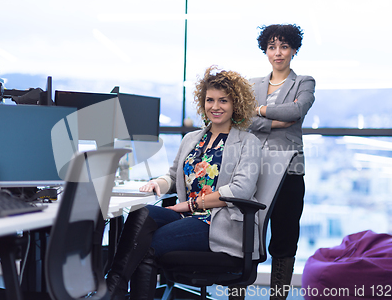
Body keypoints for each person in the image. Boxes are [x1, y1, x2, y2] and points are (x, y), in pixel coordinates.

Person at [106, 65, 261, 300]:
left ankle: (112, 291)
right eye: (210, 100)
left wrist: (189, 206)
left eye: (223, 101)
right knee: (142, 213)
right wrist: (158, 183)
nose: (215, 107)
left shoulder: (248, 142)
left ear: (235, 104)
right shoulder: (192, 139)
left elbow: (240, 190)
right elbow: (172, 175)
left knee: (145, 245)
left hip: (217, 223)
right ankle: (113, 288)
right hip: (186, 218)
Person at [247, 24, 315, 300]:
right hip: (254, 169)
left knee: (285, 238)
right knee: (246, 236)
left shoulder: (304, 82)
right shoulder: (252, 84)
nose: (278, 52)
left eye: (284, 46)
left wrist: (260, 110)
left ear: (294, 50)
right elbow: (243, 119)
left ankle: (278, 297)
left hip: (289, 169)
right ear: (265, 50)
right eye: (272, 47)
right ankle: (237, 292)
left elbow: (296, 111)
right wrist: (276, 121)